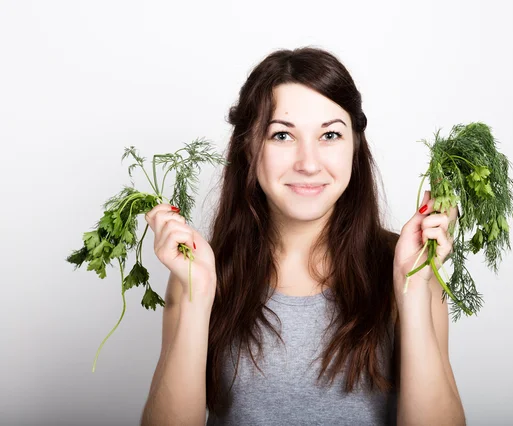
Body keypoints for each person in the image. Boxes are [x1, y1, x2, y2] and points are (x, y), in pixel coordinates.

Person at [140, 47, 466, 426]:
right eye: (281, 135)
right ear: (249, 147)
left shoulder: (410, 267)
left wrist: (412, 290)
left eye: (330, 134)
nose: (308, 163)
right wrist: (198, 296)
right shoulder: (201, 270)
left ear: (355, 148)